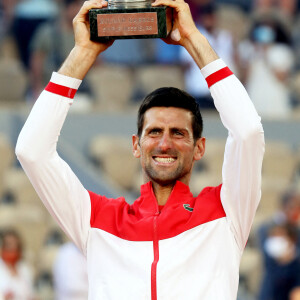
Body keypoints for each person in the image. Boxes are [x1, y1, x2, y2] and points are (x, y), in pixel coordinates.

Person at [15, 0, 265, 299]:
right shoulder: (95, 220)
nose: (164, 143)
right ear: (136, 145)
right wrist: (83, 53)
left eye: (178, 133)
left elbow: (248, 132)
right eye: (155, 132)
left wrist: (193, 40)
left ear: (199, 148)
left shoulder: (227, 210)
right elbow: (31, 150)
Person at [0, 229, 34, 300]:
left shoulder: (24, 268)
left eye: (16, 245)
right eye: (9, 245)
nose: (13, 248)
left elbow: (30, 292)